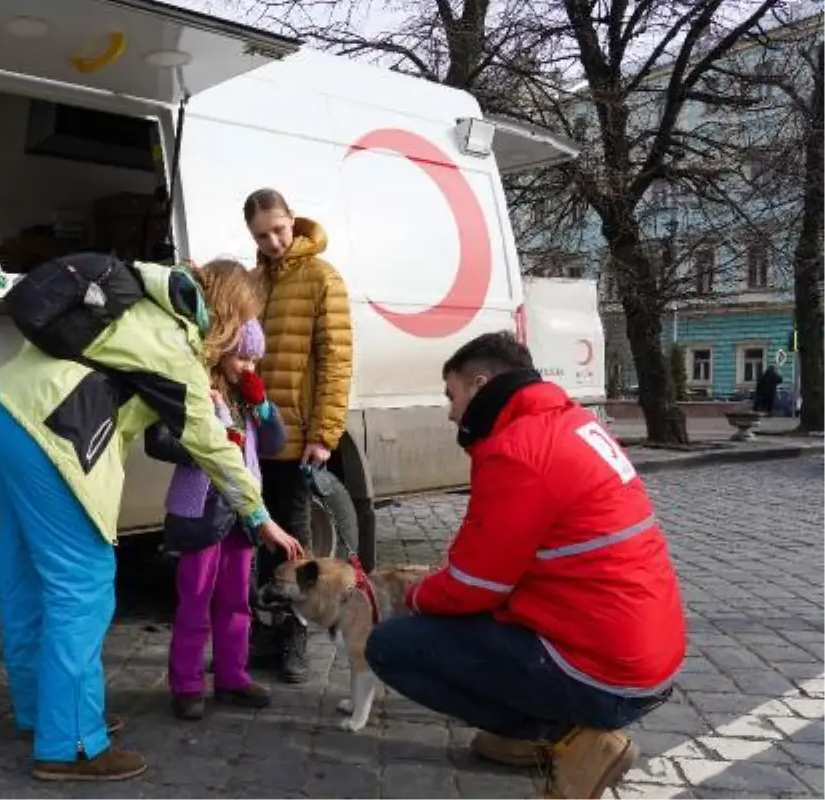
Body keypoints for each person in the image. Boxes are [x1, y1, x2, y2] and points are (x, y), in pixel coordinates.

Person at [0, 255, 303, 782]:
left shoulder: (145, 291)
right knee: (81, 588)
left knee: (26, 583)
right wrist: (261, 516)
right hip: (51, 435)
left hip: (2, 408)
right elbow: (214, 446)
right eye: (243, 320)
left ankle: (44, 713)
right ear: (228, 313)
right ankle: (73, 745)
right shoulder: (175, 347)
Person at [364, 332, 685, 800]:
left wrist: (412, 594)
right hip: (645, 655)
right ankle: (543, 733)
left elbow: (472, 586)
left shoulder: (517, 449)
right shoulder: (573, 424)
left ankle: (568, 740)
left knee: (391, 645)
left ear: (479, 384)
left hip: (601, 671)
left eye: (450, 396)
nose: (450, 412)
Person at [145, 261, 287, 721]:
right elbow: (158, 440)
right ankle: (186, 683)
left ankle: (233, 675)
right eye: (242, 358)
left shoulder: (248, 398)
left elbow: (275, 444)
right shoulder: (198, 389)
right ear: (222, 349)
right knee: (196, 599)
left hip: (244, 515)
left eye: (254, 361)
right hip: (201, 509)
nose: (248, 367)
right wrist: (209, 439)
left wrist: (263, 407)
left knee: (236, 599)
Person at [243, 188, 354, 683]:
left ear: (294, 221)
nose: (272, 242)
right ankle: (261, 638)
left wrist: (324, 433)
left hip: (295, 438)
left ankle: (293, 642)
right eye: (261, 235)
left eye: (278, 229)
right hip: (252, 438)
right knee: (253, 544)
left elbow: (335, 360)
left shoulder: (322, 278)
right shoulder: (253, 282)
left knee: (293, 548)